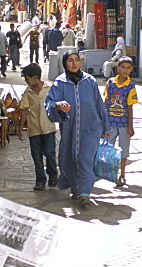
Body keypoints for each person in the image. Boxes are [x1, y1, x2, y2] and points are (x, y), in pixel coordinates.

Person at [46, 51, 109, 207]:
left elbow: (99, 105)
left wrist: (106, 126)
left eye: (76, 60)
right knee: (70, 159)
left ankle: (85, 194)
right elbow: (49, 103)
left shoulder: (90, 81)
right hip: (70, 129)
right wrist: (58, 105)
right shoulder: (60, 83)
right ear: (64, 63)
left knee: (84, 159)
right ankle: (76, 188)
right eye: (70, 61)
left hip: (91, 128)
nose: (74, 63)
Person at [18, 63, 58, 191]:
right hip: (34, 129)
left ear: (35, 77)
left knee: (50, 153)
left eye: (27, 78)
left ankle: (53, 175)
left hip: (48, 128)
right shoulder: (28, 93)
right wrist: (20, 130)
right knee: (36, 156)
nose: (26, 81)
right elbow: (24, 110)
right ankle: (40, 180)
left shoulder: (49, 89)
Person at [103, 57, 138, 187]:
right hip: (110, 122)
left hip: (124, 123)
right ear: (118, 68)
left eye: (128, 67)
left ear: (131, 69)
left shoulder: (131, 86)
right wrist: (102, 121)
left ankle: (122, 174)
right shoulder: (110, 83)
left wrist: (131, 126)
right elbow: (106, 102)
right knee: (109, 149)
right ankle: (111, 173)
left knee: (124, 150)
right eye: (123, 67)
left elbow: (130, 107)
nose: (125, 70)